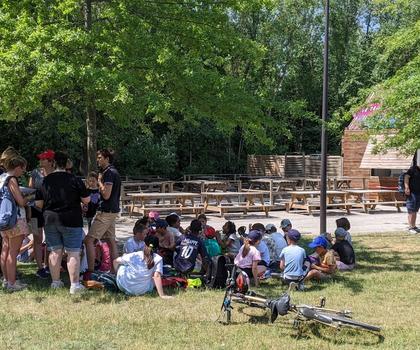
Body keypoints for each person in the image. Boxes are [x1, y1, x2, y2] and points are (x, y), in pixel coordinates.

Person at [35, 151, 90, 294]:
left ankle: (55, 282)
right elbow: (86, 200)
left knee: (54, 251)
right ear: (67, 163)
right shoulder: (75, 179)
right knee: (73, 253)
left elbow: (39, 204)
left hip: (50, 219)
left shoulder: (45, 181)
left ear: (53, 163)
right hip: (71, 219)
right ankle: (74, 285)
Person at [84, 149, 121, 279]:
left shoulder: (109, 173)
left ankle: (91, 272)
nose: (98, 160)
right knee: (111, 241)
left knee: (88, 240)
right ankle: (114, 272)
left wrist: (99, 181)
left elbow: (106, 195)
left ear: (107, 158)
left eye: (100, 157)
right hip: (112, 211)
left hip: (106, 212)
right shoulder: (111, 172)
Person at [0, 155, 30, 291]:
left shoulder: (2, 178)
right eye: (22, 169)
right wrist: (30, 196)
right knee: (13, 252)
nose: (23, 172)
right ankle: (12, 284)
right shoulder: (12, 179)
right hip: (15, 220)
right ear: (17, 167)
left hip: (4, 219)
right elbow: (21, 202)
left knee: (5, 249)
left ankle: (6, 280)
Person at [29, 149, 56, 279]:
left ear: (50, 161)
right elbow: (30, 191)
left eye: (43, 159)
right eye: (40, 158)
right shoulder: (34, 173)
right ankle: (39, 268)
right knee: (37, 238)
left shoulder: (56, 175)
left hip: (50, 211)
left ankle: (48, 265)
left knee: (50, 239)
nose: (40, 161)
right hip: (34, 210)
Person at [404, 163, 420, 233]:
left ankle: (414, 226)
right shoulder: (413, 169)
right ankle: (411, 227)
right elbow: (406, 177)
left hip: (419, 193)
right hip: (412, 193)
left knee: (415, 210)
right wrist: (407, 187)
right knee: (411, 210)